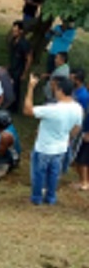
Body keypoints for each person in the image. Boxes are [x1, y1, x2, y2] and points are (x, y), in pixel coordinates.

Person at [24, 74, 83, 205]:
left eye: (56, 89)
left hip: (44, 147)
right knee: (53, 174)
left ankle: (37, 198)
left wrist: (30, 87)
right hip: (61, 147)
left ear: (60, 91)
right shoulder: (78, 108)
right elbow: (77, 127)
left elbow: (28, 110)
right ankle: (51, 198)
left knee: (39, 174)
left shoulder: (53, 109)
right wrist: (69, 137)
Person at [8, 20, 32, 113]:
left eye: (16, 31)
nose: (14, 32)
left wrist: (24, 73)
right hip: (13, 67)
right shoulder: (13, 41)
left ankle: (14, 107)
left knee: (16, 88)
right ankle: (10, 104)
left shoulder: (24, 44)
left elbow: (29, 58)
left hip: (19, 69)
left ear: (21, 31)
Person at [74, 107, 89, 190]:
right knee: (80, 159)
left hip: (87, 134)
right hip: (83, 132)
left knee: (83, 160)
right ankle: (83, 181)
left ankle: (85, 182)